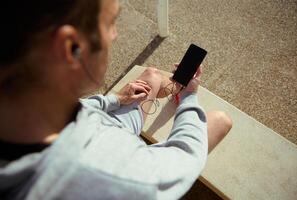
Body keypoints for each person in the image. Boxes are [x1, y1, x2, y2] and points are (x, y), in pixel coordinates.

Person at [0, 0, 232, 199]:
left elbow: (82, 107)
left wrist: (114, 99)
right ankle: (183, 92)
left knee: (151, 76)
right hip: (120, 158)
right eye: (111, 22)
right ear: (72, 48)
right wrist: (190, 97)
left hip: (101, 125)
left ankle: (176, 88)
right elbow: (185, 160)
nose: (115, 34)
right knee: (220, 121)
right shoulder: (116, 174)